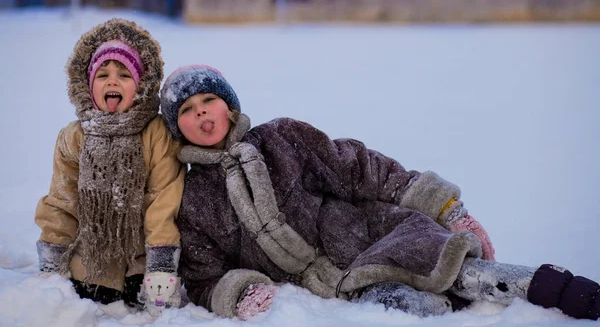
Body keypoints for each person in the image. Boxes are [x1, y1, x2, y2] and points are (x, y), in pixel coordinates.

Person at [160, 65, 600, 321]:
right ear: (176, 127)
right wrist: (238, 293)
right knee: (406, 308)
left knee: (461, 271)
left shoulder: (281, 138)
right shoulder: (194, 196)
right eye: (187, 110)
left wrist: (449, 209)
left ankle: (557, 289)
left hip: (371, 235)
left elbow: (361, 168)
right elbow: (202, 275)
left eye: (208, 102)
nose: (202, 115)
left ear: (229, 105)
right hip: (339, 289)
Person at [34, 19, 186, 314]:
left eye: (124, 75)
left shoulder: (155, 132)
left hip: (142, 268)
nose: (112, 81)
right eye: (102, 75)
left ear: (141, 86)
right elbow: (62, 202)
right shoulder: (73, 137)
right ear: (89, 86)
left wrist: (161, 263)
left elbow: (164, 199)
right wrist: (53, 257)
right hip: (89, 267)